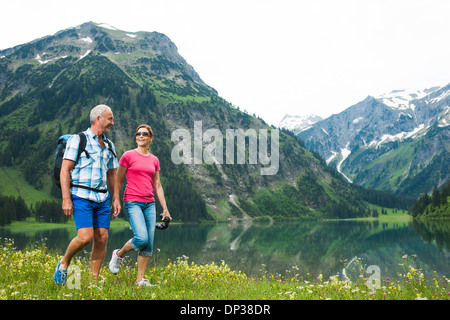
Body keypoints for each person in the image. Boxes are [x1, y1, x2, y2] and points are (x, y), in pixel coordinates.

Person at [54, 104, 120, 285]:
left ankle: (93, 282)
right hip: (81, 195)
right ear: (98, 119)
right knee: (85, 237)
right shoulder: (78, 139)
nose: (112, 123)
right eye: (110, 119)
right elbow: (65, 170)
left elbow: (112, 173)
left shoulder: (109, 144)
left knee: (102, 238)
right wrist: (66, 199)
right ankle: (65, 261)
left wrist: (115, 198)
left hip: (102, 198)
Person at [109, 124, 171, 286]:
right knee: (141, 238)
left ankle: (140, 280)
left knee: (148, 244)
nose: (141, 136)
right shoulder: (128, 156)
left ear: (150, 138)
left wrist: (165, 208)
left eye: (145, 134)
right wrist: (116, 199)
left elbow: (157, 185)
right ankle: (119, 254)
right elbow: (118, 179)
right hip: (132, 201)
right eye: (138, 133)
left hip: (149, 203)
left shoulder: (154, 160)